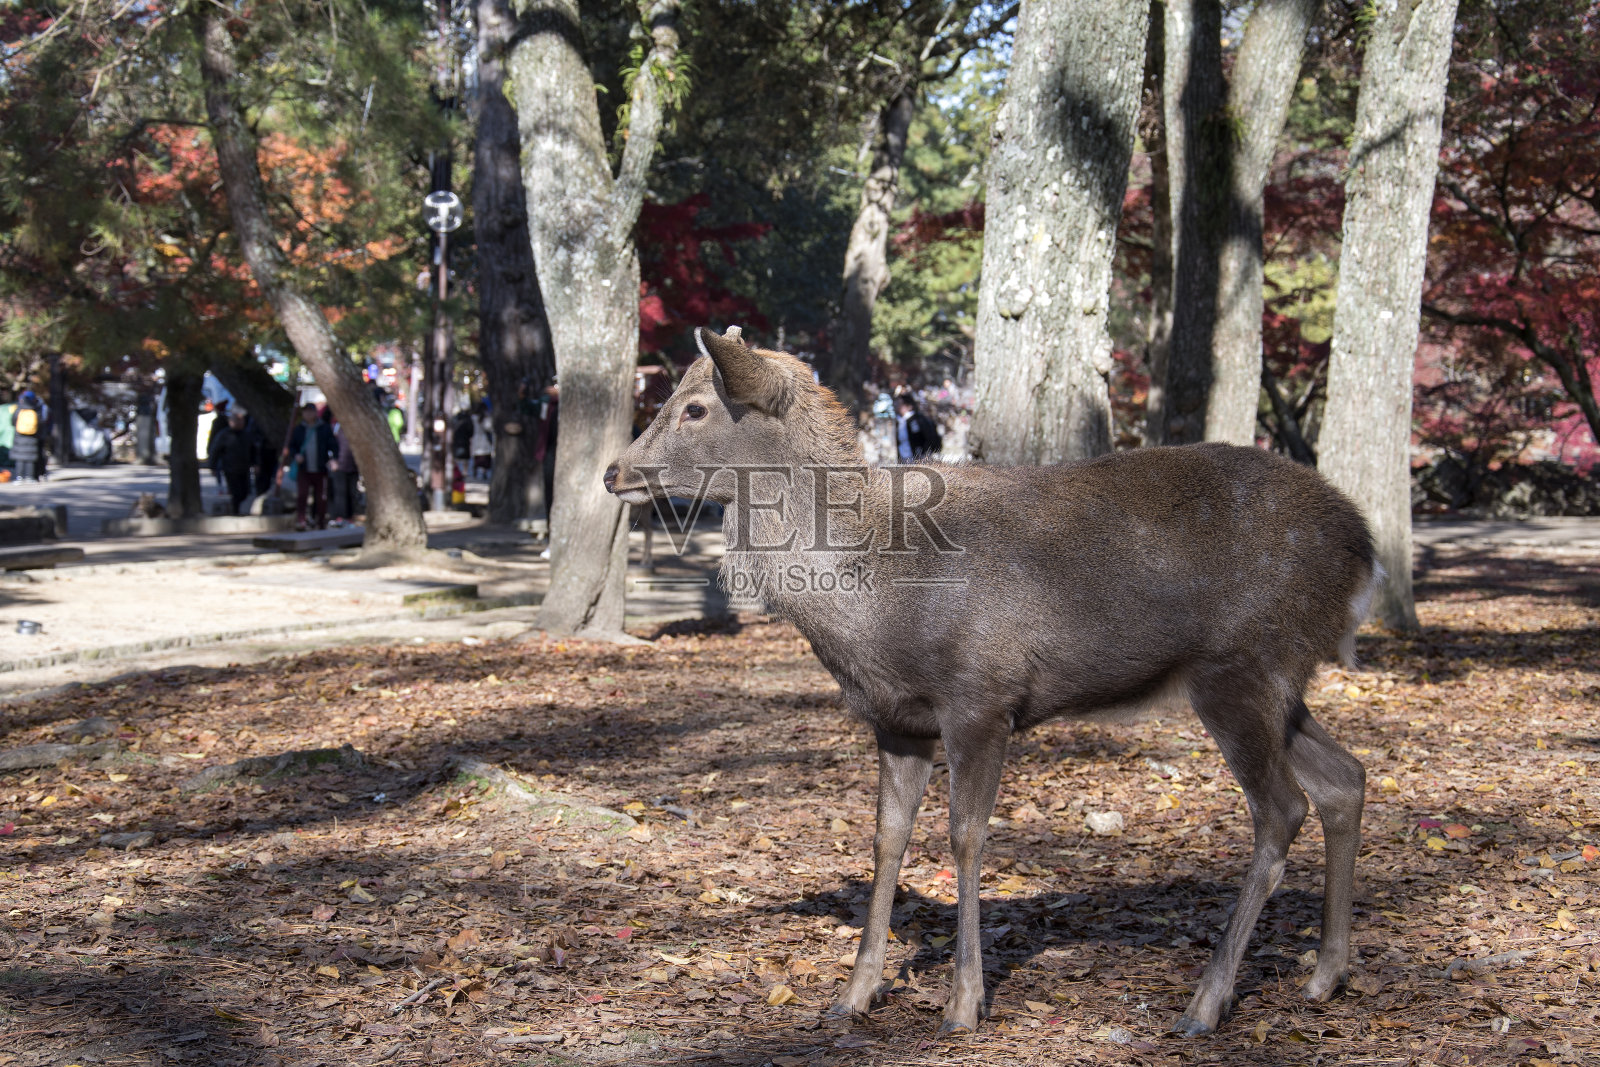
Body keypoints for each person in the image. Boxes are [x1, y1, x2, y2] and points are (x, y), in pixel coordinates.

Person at [282, 402, 336, 530]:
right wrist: (296, 456)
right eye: (306, 412)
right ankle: (301, 520)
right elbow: (292, 446)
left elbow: (333, 445)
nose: (308, 414)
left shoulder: (324, 428)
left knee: (321, 497)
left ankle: (321, 522)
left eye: (311, 412)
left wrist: (333, 459)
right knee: (302, 495)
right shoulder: (299, 429)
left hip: (320, 468)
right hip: (304, 468)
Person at [327, 413, 359, 523]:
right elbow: (330, 444)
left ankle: (350, 517)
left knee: (352, 493)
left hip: (353, 465)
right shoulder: (335, 427)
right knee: (340, 493)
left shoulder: (356, 428)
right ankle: (339, 517)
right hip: (339, 464)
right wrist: (333, 460)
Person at [9, 390, 45, 481]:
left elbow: (13, 422)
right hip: (32, 438)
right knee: (30, 458)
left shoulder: (18, 410)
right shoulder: (35, 410)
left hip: (19, 437)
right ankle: (30, 477)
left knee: (20, 458)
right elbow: (40, 424)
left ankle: (19, 477)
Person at [894, 393, 941, 462]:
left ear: (909, 406)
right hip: (904, 461)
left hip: (918, 459)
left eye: (900, 404)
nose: (897, 406)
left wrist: (925, 454)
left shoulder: (919, 419)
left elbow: (930, 437)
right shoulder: (899, 422)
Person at [469, 400, 493, 480]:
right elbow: (489, 428)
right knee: (485, 458)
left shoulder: (473, 418)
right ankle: (483, 472)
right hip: (484, 439)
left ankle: (476, 470)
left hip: (476, 439)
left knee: (477, 456)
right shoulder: (486, 418)